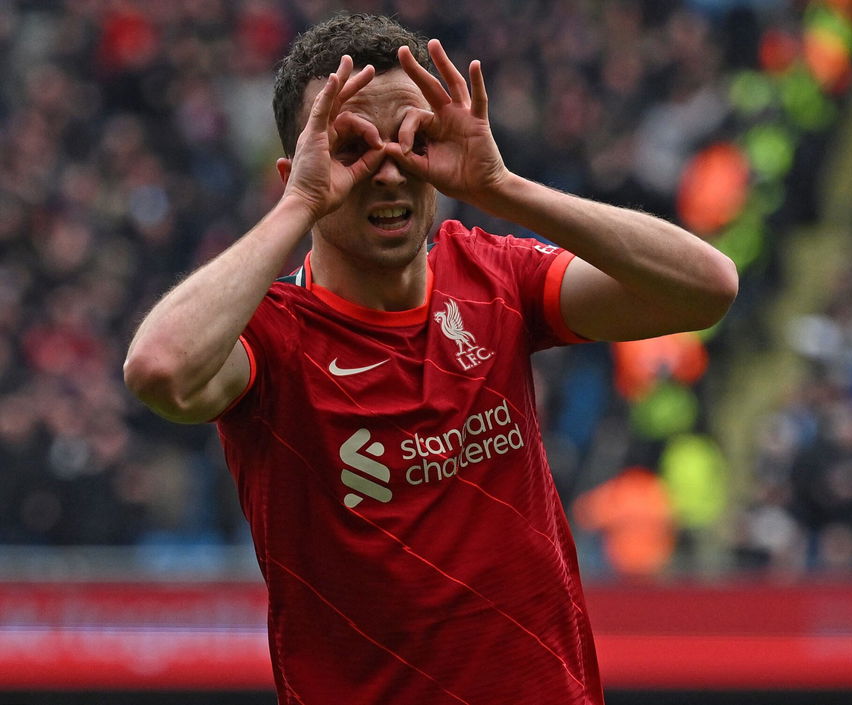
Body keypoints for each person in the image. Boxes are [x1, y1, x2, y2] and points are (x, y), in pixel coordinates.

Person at [122, 13, 736, 705]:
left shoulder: (493, 275)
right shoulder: (273, 339)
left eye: (415, 139)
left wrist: (501, 186)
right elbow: (160, 370)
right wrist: (298, 203)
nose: (388, 171)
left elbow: (705, 289)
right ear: (300, 172)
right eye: (352, 146)